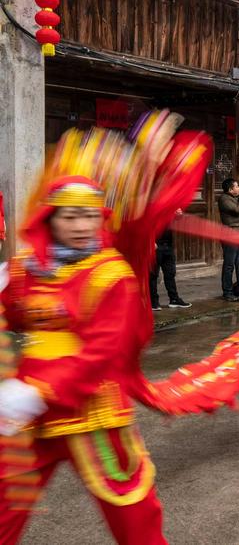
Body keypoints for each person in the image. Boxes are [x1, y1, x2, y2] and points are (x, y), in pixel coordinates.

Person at [0, 176, 167, 544]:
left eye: (90, 216)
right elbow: (12, 312)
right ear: (50, 218)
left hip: (93, 414)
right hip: (29, 418)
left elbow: (102, 354)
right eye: (70, 217)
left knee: (135, 519)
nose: (81, 227)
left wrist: (34, 393)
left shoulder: (111, 274)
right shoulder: (26, 267)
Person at [149, 209, 191, 311]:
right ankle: (153, 302)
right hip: (155, 246)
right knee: (153, 275)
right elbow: (146, 225)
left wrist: (178, 215)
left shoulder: (169, 205)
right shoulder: (152, 206)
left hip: (168, 245)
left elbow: (176, 220)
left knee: (170, 274)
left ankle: (174, 299)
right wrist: (151, 241)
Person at [218, 179, 239, 301]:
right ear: (230, 189)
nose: (238, 188)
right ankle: (227, 292)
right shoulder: (224, 199)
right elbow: (237, 210)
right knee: (229, 265)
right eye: (236, 186)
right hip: (230, 236)